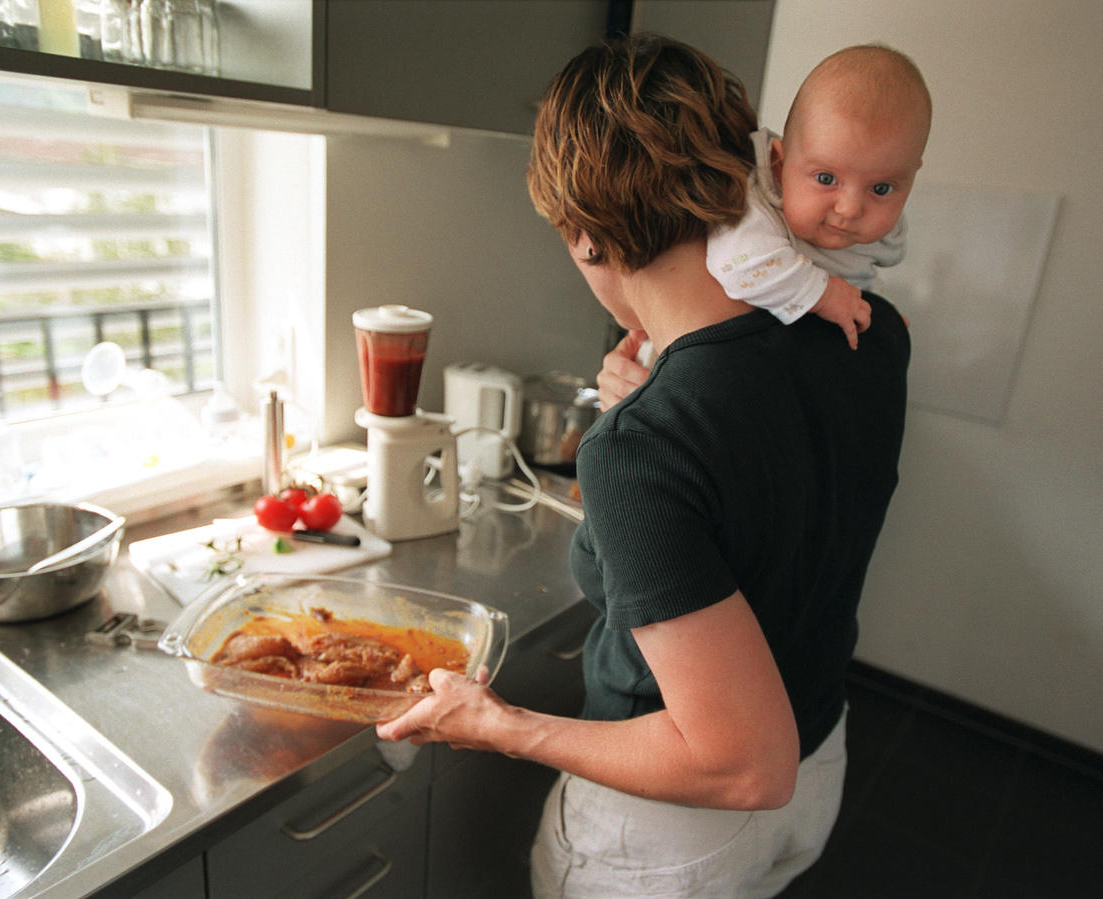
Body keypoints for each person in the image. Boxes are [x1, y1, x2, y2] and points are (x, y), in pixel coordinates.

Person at [377, 34, 910, 898]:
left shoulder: (642, 445)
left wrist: (501, 724)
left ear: (584, 236)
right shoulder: (875, 332)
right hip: (820, 766)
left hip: (678, 824)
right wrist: (660, 381)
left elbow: (743, 764)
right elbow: (770, 470)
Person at [616, 43, 929, 393]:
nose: (850, 208)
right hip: (680, 372)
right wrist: (826, 295)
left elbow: (857, 275)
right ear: (780, 164)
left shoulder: (885, 233)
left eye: (882, 188)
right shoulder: (758, 202)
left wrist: (876, 315)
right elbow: (740, 267)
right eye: (826, 179)